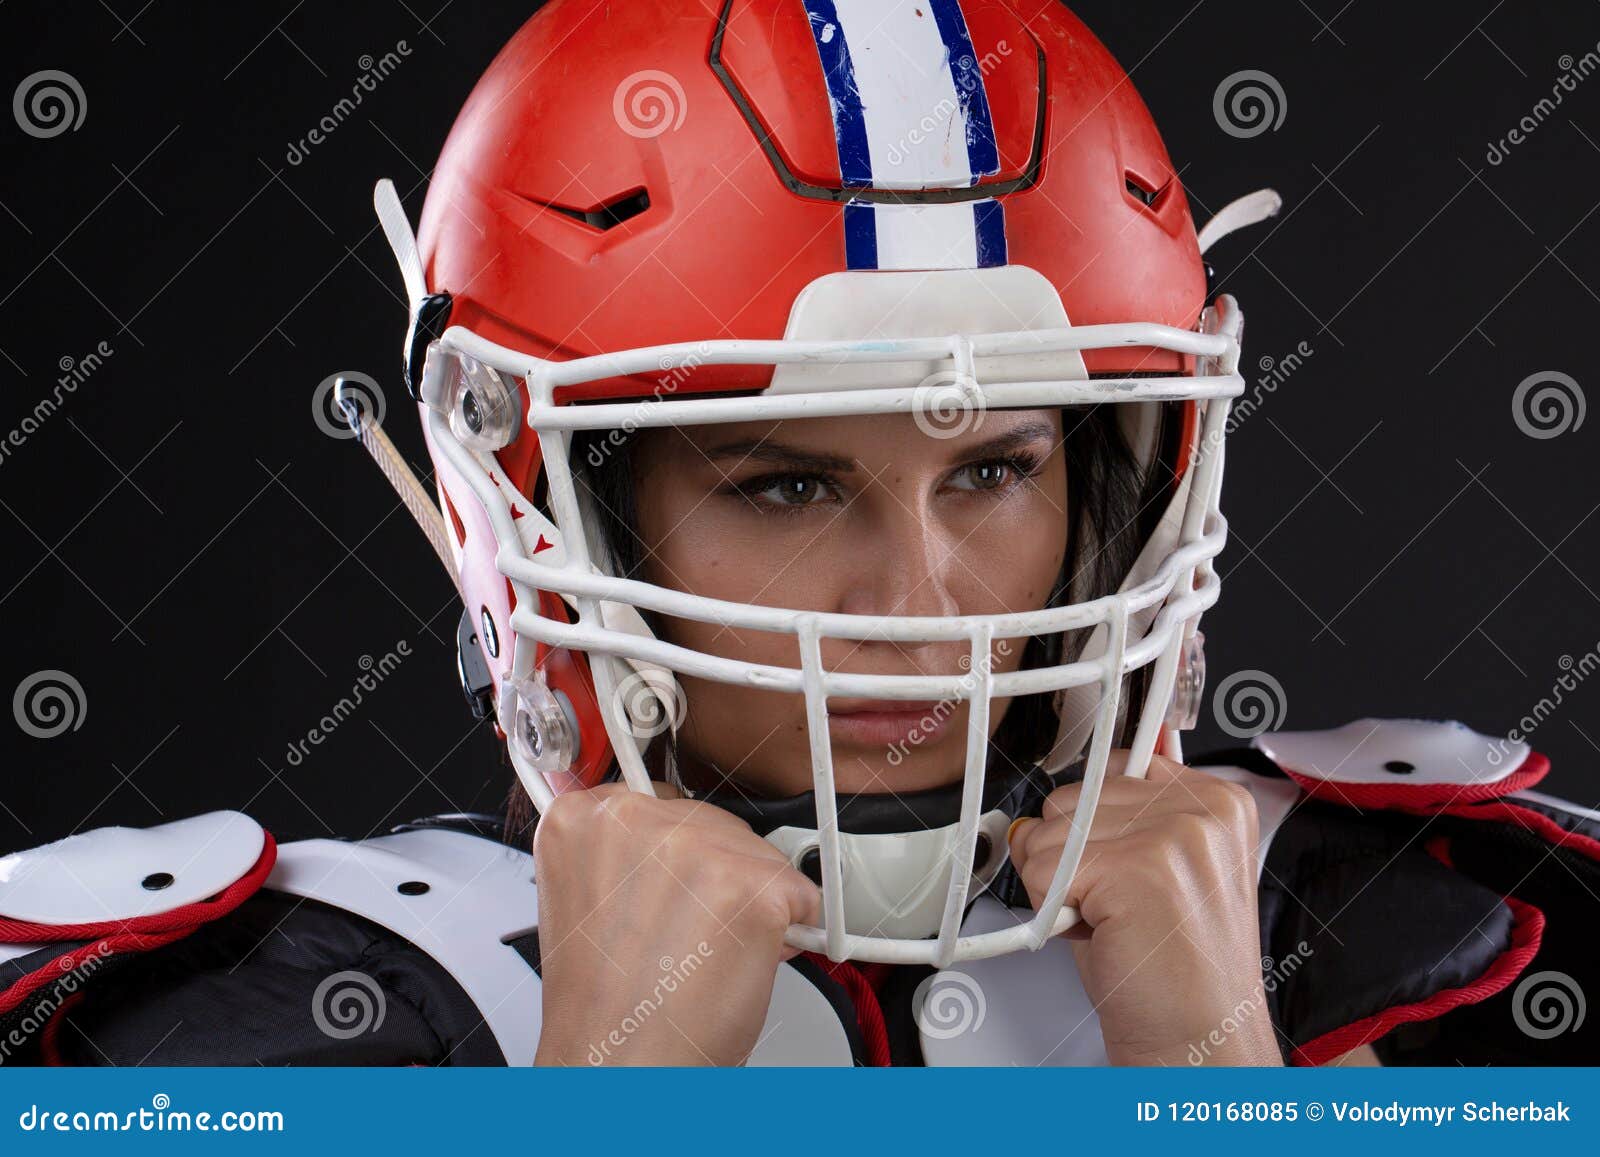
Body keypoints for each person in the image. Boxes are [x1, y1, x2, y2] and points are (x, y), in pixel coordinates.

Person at [3, 0, 1596, 1068]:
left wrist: (1223, 1074)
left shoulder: (1430, 928)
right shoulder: (244, 1026)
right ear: (536, 503)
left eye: (994, 471)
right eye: (788, 485)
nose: (919, 599)